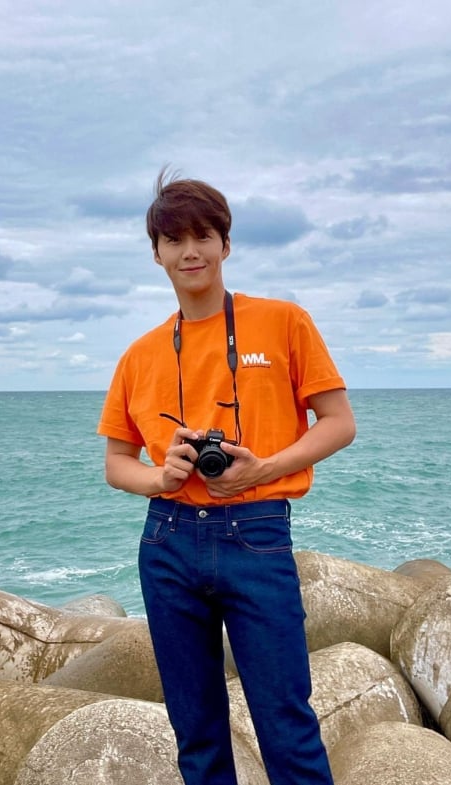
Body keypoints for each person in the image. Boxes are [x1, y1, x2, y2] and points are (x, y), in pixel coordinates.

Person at [97, 169, 356, 785]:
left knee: (287, 723)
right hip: (168, 540)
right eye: (175, 240)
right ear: (156, 253)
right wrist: (160, 478)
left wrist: (263, 468)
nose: (191, 252)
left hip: (257, 534)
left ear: (226, 244)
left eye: (203, 236)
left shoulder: (284, 322)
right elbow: (116, 464)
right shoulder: (139, 354)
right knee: (196, 731)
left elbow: (339, 423)